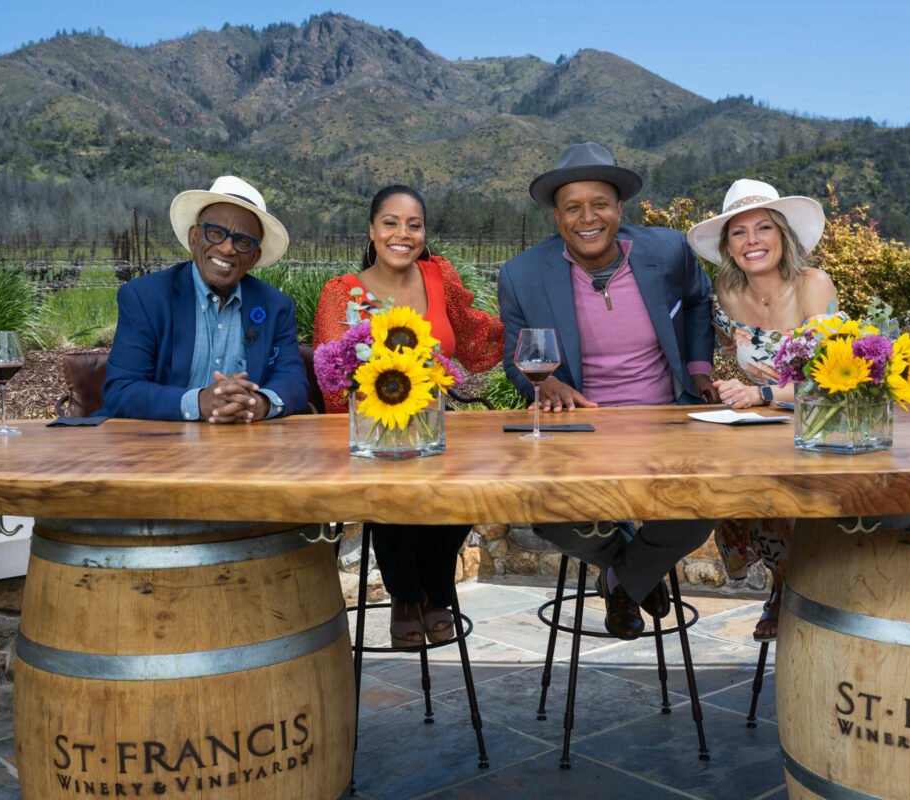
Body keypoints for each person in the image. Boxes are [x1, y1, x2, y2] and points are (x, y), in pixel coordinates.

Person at [497, 142, 719, 640]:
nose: (587, 217)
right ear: (556, 216)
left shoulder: (667, 249)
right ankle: (635, 573)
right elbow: (518, 357)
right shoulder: (522, 274)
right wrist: (546, 383)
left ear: (620, 209)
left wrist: (700, 368)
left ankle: (621, 581)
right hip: (583, 428)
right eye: (572, 207)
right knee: (548, 514)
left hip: (667, 420)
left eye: (599, 203)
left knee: (703, 508)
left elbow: (699, 299)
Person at [314, 184, 504, 648]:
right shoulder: (344, 293)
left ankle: (434, 589)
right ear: (372, 231)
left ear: (424, 232)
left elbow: (475, 337)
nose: (403, 233)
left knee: (474, 475)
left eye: (413, 225)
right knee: (391, 477)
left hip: (438, 422)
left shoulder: (439, 276)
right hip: (375, 426)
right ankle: (408, 596)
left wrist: (524, 320)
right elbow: (333, 376)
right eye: (391, 223)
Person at [686, 177, 842, 640]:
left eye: (763, 228)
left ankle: (790, 589)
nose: (752, 241)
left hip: (812, 421)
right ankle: (784, 582)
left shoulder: (813, 286)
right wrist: (712, 384)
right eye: (739, 232)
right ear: (728, 246)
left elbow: (831, 378)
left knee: (783, 485)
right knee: (725, 479)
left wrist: (763, 394)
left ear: (783, 236)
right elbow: (718, 346)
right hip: (754, 424)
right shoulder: (726, 293)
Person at [100, 175, 308, 422]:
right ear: (194, 238)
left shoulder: (276, 307)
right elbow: (122, 391)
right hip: (160, 447)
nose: (227, 248)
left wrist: (260, 403)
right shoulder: (145, 297)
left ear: (254, 257)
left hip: (249, 447)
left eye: (242, 242)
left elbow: (293, 381)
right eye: (216, 233)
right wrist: (199, 402)